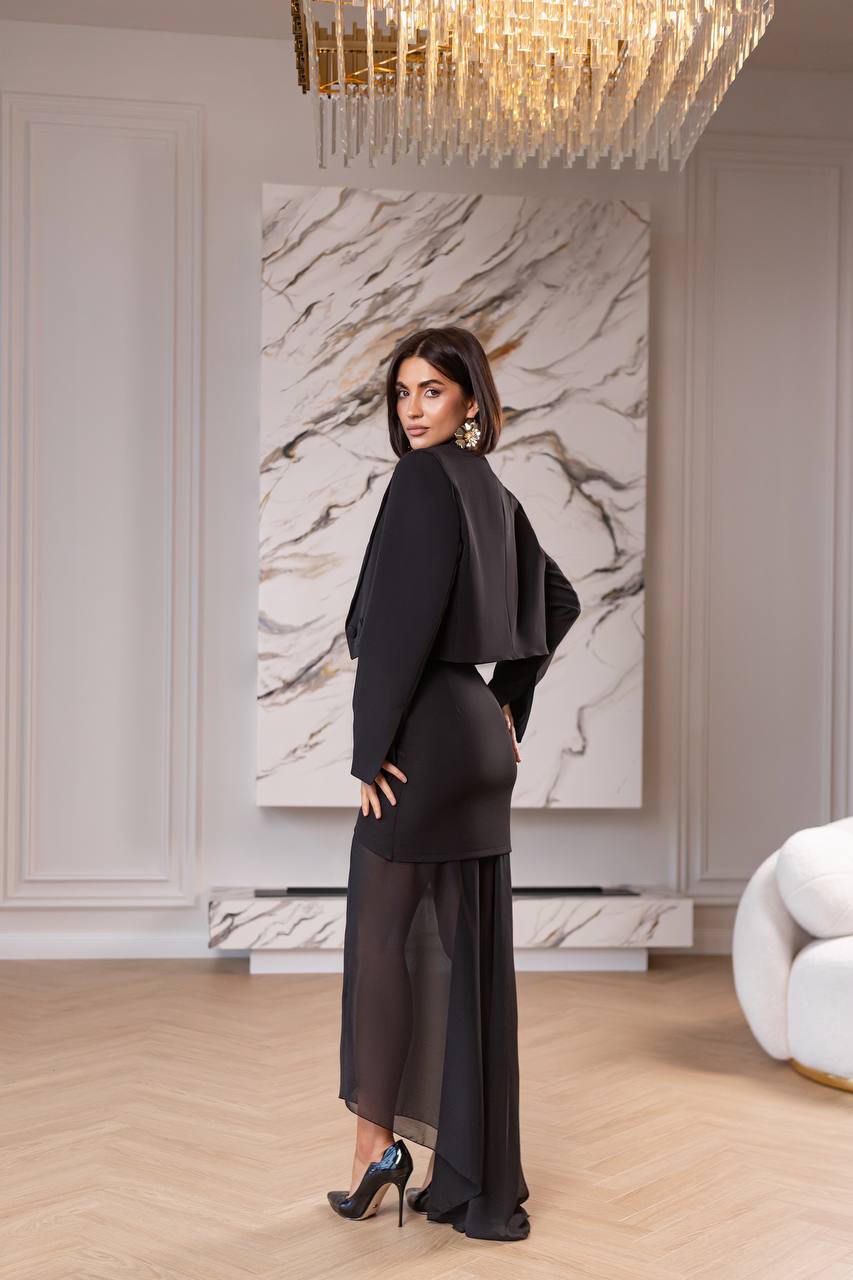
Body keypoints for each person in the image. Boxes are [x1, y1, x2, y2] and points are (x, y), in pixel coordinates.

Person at [326, 326, 582, 1241]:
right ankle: (466, 1166)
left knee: (380, 940)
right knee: (468, 954)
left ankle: (374, 1151)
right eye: (402, 394)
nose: (412, 409)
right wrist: (507, 701)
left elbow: (394, 631)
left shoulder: (421, 483)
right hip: (477, 740)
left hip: (422, 743)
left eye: (430, 392)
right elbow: (559, 601)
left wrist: (369, 754)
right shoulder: (492, 490)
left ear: (470, 399)